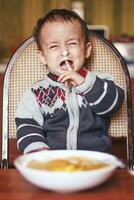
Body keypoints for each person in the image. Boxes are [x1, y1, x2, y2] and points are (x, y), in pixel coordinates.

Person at [15, 8, 124, 154]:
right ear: (42, 57)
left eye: (72, 43)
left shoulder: (101, 81)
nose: (64, 52)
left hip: (94, 160)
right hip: (53, 162)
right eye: (54, 46)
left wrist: (83, 82)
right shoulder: (36, 93)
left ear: (86, 50)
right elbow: (27, 127)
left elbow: (112, 104)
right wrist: (41, 156)